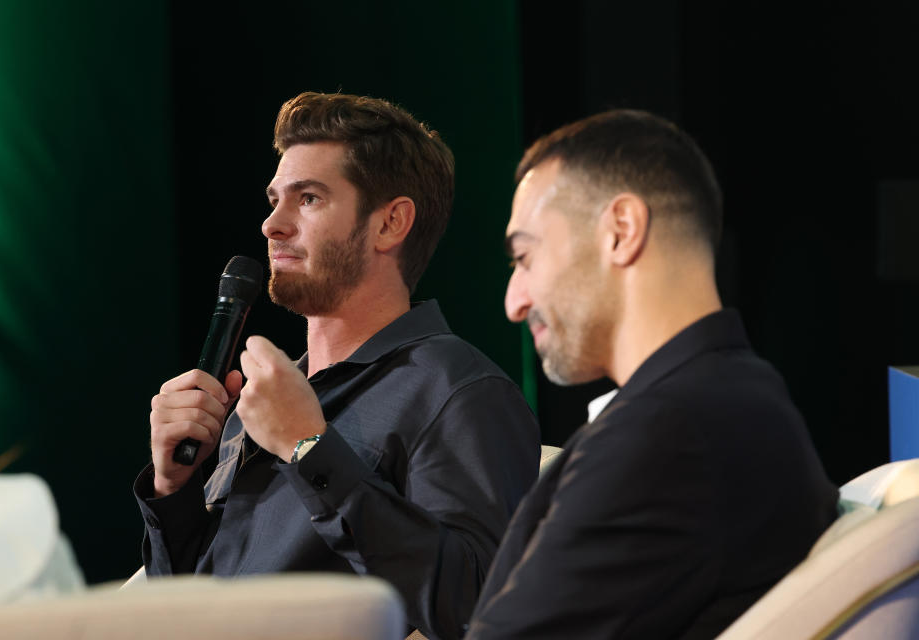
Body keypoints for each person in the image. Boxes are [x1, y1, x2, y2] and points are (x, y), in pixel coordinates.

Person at [134, 92, 540, 640]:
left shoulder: (458, 391)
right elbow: (184, 615)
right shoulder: (261, 401)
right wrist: (173, 487)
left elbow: (472, 606)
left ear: (390, 223)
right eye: (275, 198)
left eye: (308, 199)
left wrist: (308, 449)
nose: (271, 224)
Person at [466, 110, 838, 639]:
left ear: (620, 230)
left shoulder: (669, 434)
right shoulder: (734, 395)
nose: (514, 303)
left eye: (524, 257)